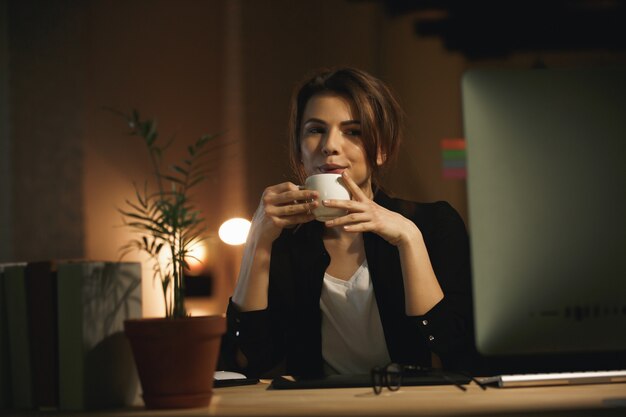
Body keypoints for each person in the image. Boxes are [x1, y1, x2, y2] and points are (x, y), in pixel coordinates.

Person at [222, 67, 474, 378]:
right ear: (299, 151)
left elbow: (451, 352)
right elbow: (249, 360)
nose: (330, 145)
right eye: (315, 130)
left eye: (352, 131)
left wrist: (410, 238)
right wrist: (257, 241)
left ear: (380, 149)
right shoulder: (285, 244)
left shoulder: (434, 224)